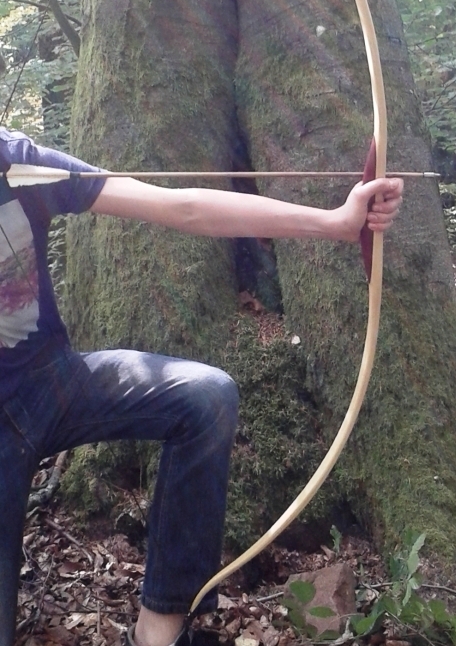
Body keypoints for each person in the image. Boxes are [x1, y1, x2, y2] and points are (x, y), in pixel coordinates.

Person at [0, 127, 403, 646]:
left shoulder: (19, 163)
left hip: (50, 384)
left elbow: (183, 207)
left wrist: (337, 223)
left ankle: (158, 633)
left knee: (206, 397)